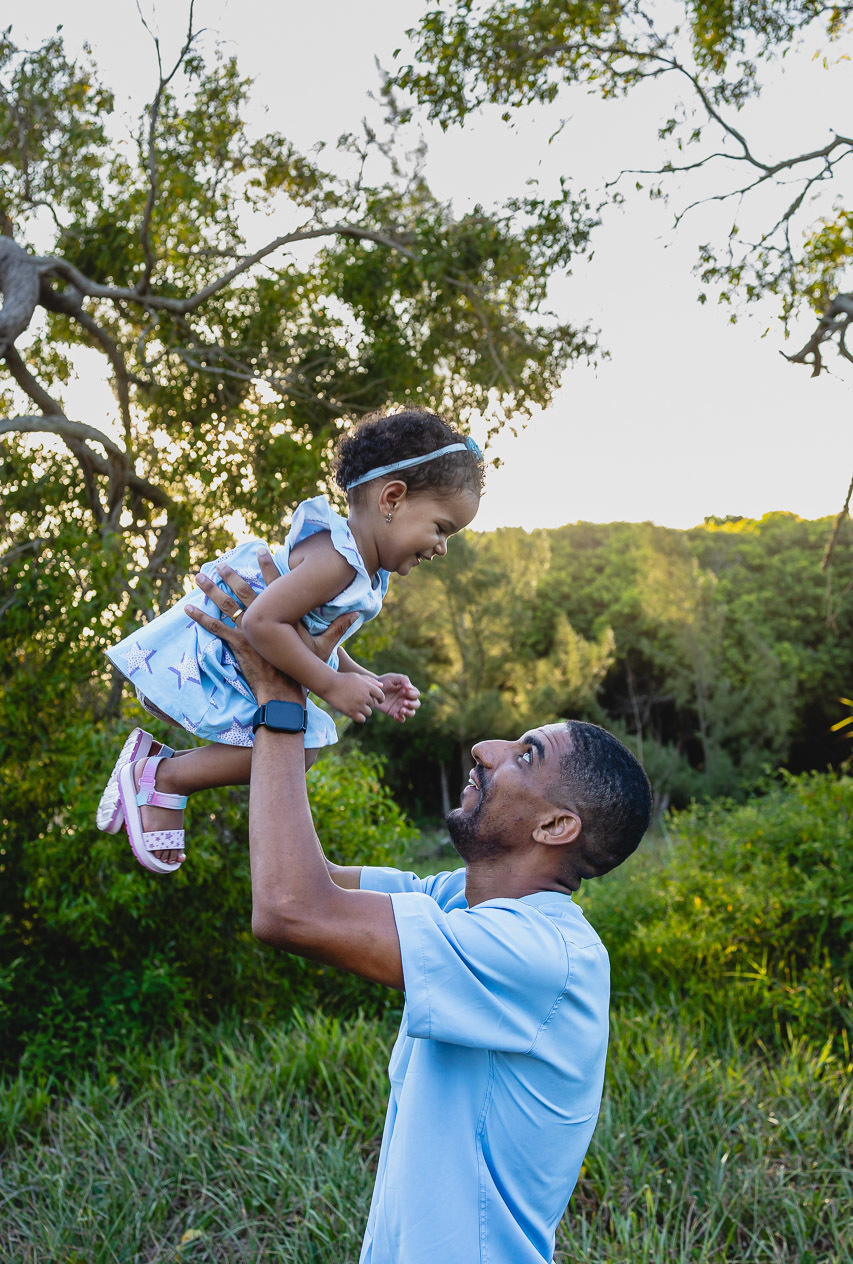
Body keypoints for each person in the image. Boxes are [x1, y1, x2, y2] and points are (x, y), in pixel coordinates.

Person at [186, 557, 653, 1264]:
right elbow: (301, 875)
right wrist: (300, 687)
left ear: (557, 828)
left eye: (524, 756)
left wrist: (279, 697)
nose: (485, 749)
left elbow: (289, 908)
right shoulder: (460, 903)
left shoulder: (539, 956)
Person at [97, 407, 484, 873]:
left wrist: (366, 679)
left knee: (297, 745)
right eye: (442, 528)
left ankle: (160, 772)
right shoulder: (338, 561)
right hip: (225, 645)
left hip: (246, 644)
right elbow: (261, 623)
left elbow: (311, 632)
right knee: (301, 746)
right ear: (393, 498)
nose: (442, 547)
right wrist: (331, 687)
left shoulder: (357, 565)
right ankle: (163, 777)